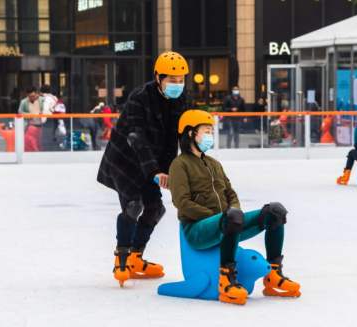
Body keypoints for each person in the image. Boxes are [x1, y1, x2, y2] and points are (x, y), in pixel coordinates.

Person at [169, 110, 301, 306]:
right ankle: (226, 279)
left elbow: (230, 193)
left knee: (275, 212)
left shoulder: (214, 163)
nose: (210, 136)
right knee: (231, 218)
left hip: (227, 223)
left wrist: (232, 214)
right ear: (190, 133)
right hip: (197, 229)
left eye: (211, 132)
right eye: (206, 131)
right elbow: (182, 203)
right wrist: (221, 218)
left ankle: (273, 275)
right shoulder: (179, 165)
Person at [97, 52, 189, 287]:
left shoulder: (180, 99)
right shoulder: (138, 97)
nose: (177, 85)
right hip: (126, 159)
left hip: (153, 160)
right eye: (172, 80)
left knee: (155, 210)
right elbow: (136, 138)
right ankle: (122, 259)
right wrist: (155, 171)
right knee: (133, 205)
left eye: (181, 80)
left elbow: (173, 138)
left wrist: (170, 170)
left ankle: (137, 257)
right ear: (158, 77)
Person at [18, 87, 46, 151]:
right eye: (29, 96)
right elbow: (20, 112)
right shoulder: (24, 102)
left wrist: (43, 112)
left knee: (40, 141)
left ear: (36, 93)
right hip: (30, 125)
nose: (31, 98)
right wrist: (29, 115)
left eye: (33, 96)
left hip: (41, 124)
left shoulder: (42, 100)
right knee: (30, 141)